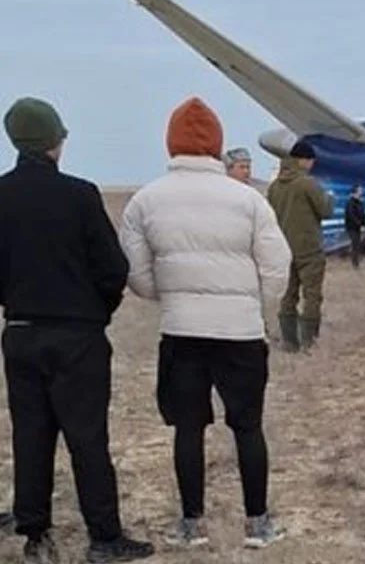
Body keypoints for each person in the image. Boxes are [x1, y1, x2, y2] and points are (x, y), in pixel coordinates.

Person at [118, 97, 290, 549]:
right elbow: (277, 264)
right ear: (216, 145)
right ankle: (257, 523)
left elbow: (135, 272)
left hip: (181, 332)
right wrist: (255, 305)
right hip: (240, 332)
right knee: (248, 426)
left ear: (170, 143)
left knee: (188, 429)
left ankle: (191, 525)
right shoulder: (248, 200)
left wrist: (171, 296)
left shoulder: (145, 200)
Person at [0, 97, 154, 562]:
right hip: (77, 337)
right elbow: (112, 268)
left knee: (30, 433)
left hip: (20, 333)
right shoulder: (80, 195)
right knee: (87, 437)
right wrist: (97, 312)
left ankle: (35, 533)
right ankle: (104, 538)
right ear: (53, 141)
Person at [266, 140, 334, 352]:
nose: (313, 164)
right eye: (311, 160)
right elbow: (325, 211)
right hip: (308, 248)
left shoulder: (275, 186)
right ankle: (308, 342)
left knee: (288, 295)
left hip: (283, 248)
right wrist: (329, 197)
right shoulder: (307, 184)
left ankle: (289, 341)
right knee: (312, 295)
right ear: (303, 160)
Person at [344, 184, 365, 269]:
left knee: (358, 244)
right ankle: (355, 263)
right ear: (356, 191)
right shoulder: (350, 202)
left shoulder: (360, 202)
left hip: (358, 227)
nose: (362, 191)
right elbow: (351, 215)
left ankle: (356, 261)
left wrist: (364, 224)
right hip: (352, 227)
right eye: (360, 190)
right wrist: (360, 225)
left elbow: (362, 214)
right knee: (355, 244)